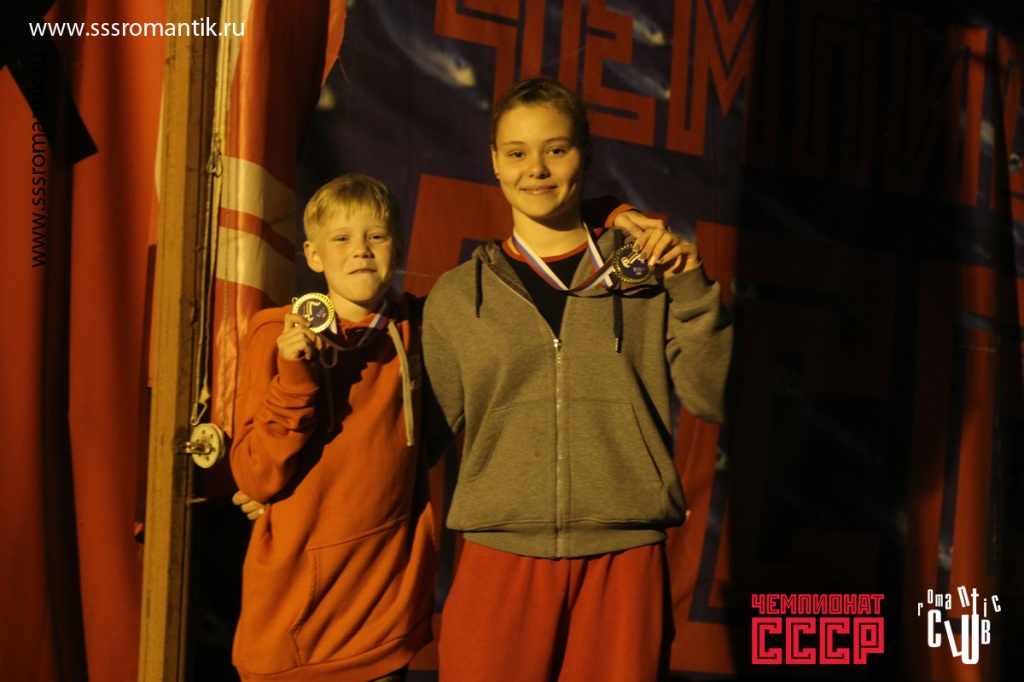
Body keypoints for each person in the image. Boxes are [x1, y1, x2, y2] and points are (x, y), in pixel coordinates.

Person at [421, 77, 733, 681]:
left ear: (584, 156)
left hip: (624, 556)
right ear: (494, 161)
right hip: (499, 553)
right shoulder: (459, 296)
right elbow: (414, 441)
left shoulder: (649, 273)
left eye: (556, 149)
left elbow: (713, 396)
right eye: (517, 152)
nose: (535, 169)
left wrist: (692, 290)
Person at [229, 174, 437, 682]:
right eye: (341, 238)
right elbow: (255, 477)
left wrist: (610, 214)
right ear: (313, 255)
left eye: (376, 236)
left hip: (384, 616)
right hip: (296, 621)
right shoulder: (276, 332)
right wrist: (295, 378)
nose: (360, 249)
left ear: (399, 248)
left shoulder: (417, 326)